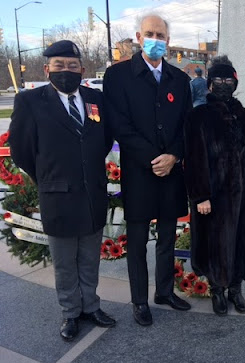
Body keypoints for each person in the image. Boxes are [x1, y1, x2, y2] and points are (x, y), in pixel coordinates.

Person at [8, 40, 115, 341]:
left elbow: (103, 140)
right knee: (65, 262)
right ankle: (70, 313)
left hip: (92, 192)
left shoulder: (95, 99)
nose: (66, 71)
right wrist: (46, 176)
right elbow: (21, 150)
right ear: (47, 69)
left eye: (72, 66)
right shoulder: (30, 101)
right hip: (57, 194)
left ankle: (91, 306)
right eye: (59, 66)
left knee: (89, 257)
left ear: (82, 69)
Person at [103, 15, 192, 326]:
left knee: (168, 236)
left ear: (167, 40)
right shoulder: (117, 76)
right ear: (139, 37)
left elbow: (186, 125)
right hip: (140, 172)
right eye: (150, 33)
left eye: (161, 35)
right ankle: (139, 300)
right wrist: (155, 159)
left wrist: (174, 156)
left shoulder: (179, 80)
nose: (156, 39)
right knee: (138, 240)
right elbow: (119, 125)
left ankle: (164, 291)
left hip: (171, 172)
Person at [184, 56, 245, 316]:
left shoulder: (244, 115)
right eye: (218, 80)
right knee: (216, 243)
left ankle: (235, 289)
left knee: (241, 241)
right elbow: (195, 159)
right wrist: (201, 197)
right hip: (215, 197)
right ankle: (217, 290)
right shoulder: (199, 116)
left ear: (235, 82)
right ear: (209, 84)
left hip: (243, 195)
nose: (223, 84)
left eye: (228, 79)